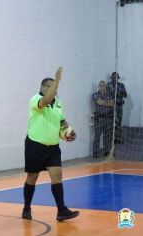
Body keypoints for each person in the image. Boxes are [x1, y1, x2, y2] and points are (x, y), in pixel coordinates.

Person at [22, 67, 79, 221]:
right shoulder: (36, 99)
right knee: (32, 177)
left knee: (57, 176)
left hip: (53, 148)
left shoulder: (58, 103)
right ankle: (26, 207)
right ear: (42, 88)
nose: (54, 91)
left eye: (55, 87)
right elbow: (46, 100)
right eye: (51, 87)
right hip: (35, 145)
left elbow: (62, 123)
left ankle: (61, 210)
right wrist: (58, 80)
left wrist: (67, 133)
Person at [92, 81, 114, 158]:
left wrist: (104, 102)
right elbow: (99, 102)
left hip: (108, 118)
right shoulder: (95, 94)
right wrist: (107, 102)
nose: (102, 87)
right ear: (98, 86)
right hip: (99, 118)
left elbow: (112, 104)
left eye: (104, 85)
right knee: (97, 136)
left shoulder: (109, 94)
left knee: (107, 136)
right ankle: (95, 153)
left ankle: (106, 152)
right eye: (100, 85)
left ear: (105, 86)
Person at [106, 72, 127, 143]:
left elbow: (125, 94)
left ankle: (118, 138)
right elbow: (107, 95)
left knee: (119, 122)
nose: (115, 78)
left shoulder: (121, 85)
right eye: (114, 77)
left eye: (116, 77)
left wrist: (118, 91)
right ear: (112, 78)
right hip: (111, 106)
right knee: (111, 122)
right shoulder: (108, 85)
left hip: (119, 106)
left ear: (118, 78)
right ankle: (110, 138)